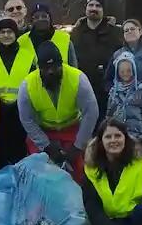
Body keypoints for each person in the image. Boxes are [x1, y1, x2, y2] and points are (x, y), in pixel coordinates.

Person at [17, 42, 99, 175]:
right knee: (39, 171)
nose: (51, 72)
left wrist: (78, 146)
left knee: (78, 170)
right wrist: (46, 146)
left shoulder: (78, 79)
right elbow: (26, 119)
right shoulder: (27, 86)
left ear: (61, 64)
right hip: (43, 131)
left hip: (72, 129)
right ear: (39, 68)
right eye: (46, 68)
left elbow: (91, 112)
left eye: (55, 67)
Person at [0, 18, 32, 166]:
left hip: (21, 112)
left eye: (9, 32)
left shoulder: (28, 56)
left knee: (20, 158)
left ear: (16, 34)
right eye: (2, 32)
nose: (6, 35)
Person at [70, 0, 125, 117]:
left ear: (103, 10)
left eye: (98, 6)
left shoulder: (115, 33)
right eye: (91, 5)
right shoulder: (76, 33)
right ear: (86, 8)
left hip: (107, 91)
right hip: (81, 88)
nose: (94, 8)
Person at [106, 51, 142, 156]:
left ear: (133, 70)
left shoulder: (140, 91)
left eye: (128, 70)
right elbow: (109, 115)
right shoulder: (113, 92)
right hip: (118, 135)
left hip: (136, 136)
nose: (125, 74)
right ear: (117, 72)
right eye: (122, 71)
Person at [19, 2, 77, 67]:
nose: (40, 19)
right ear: (32, 21)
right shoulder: (22, 41)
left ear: (50, 18)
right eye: (36, 17)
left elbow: (74, 69)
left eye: (44, 16)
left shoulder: (65, 39)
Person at [104, 19, 142, 91]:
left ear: (140, 32)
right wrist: (114, 91)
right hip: (123, 99)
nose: (129, 32)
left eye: (132, 29)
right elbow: (108, 80)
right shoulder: (117, 54)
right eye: (126, 31)